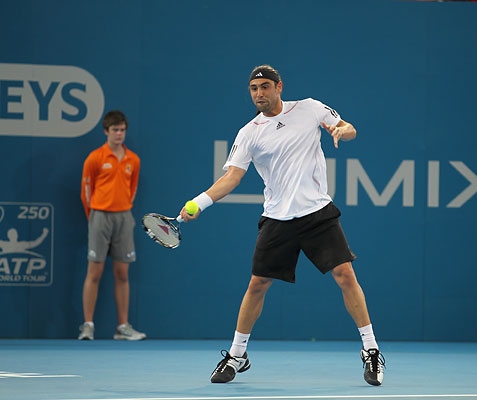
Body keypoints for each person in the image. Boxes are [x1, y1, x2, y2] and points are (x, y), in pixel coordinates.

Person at [180, 65, 385, 385]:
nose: (259, 93)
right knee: (257, 285)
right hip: (278, 219)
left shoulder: (310, 108)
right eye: (253, 88)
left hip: (318, 213)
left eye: (265, 86)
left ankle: (371, 350)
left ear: (279, 87)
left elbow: (348, 128)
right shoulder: (249, 133)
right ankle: (237, 354)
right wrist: (200, 202)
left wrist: (342, 131)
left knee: (346, 275)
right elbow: (232, 177)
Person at [78, 110, 146, 341]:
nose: (119, 134)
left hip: (124, 217)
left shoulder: (133, 160)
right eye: (115, 130)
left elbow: (132, 190)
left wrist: (123, 209)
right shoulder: (95, 158)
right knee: (94, 272)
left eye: (122, 130)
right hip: (99, 216)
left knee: (122, 274)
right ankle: (88, 325)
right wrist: (94, 217)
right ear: (106, 131)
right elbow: (86, 192)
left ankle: (122, 327)